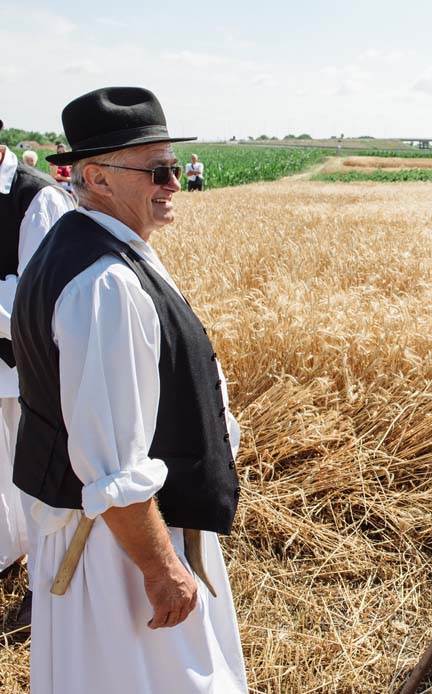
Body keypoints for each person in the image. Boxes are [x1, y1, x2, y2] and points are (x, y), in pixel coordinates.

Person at [12, 87, 247, 692]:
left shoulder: (86, 247)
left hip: (112, 535)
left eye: (176, 168)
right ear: (97, 176)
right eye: (158, 170)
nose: (174, 183)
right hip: (116, 552)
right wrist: (161, 568)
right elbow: (112, 461)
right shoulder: (105, 284)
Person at [0, 118, 74, 631]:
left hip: (27, 374)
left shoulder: (37, 200)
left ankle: (42, 594)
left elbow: (42, 304)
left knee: (34, 486)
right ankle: (7, 557)